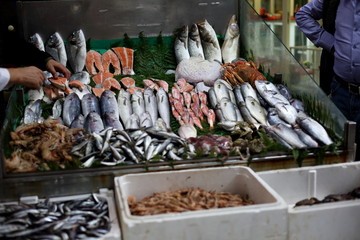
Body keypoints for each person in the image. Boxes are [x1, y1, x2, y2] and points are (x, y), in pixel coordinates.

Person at [295, 0, 360, 160]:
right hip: (339, 91)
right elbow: (303, 14)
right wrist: (329, 43)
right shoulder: (333, 1)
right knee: (333, 150)